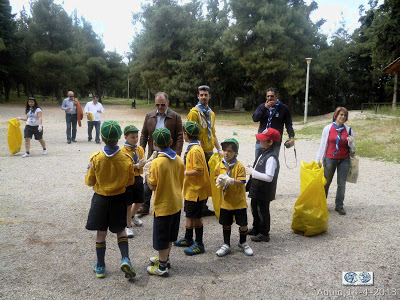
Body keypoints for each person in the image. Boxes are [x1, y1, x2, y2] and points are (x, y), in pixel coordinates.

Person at [85, 120, 136, 279]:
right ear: (120, 137)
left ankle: (100, 266)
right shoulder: (127, 158)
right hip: (118, 199)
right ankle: (125, 258)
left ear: (102, 138)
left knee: (101, 233)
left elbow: (89, 182)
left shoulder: (95, 158)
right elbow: (130, 181)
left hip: (101, 200)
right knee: (121, 229)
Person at [146, 128, 185, 277]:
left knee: (161, 236)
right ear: (171, 142)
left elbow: (153, 186)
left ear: (155, 144)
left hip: (163, 205)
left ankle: (162, 267)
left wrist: (147, 173)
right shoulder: (179, 159)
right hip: (176, 203)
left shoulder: (156, 163)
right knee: (170, 235)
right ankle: (165, 258)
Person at [138, 92, 183, 215]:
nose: (160, 107)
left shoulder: (175, 117)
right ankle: (145, 205)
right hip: (153, 152)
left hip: (168, 153)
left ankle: (169, 204)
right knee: (148, 179)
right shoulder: (149, 116)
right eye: (157, 105)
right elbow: (144, 134)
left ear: (168, 103)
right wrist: (141, 151)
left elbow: (180, 136)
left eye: (162, 104)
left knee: (168, 179)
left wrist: (177, 153)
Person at [174, 121, 211, 255]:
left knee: (196, 217)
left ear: (185, 134)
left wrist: (183, 172)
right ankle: (188, 238)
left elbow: (199, 170)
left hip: (196, 190)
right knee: (189, 214)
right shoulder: (193, 147)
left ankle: (199, 243)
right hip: (191, 189)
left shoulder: (195, 150)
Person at [187, 85, 222, 216]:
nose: (203, 97)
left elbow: (213, 133)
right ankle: (196, 207)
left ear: (209, 96)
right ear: (198, 96)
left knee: (209, 180)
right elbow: (190, 132)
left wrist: (219, 149)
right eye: (201, 95)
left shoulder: (211, 114)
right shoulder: (194, 113)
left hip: (209, 151)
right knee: (199, 179)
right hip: (198, 151)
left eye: (205, 95)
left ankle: (203, 206)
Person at [214, 138, 253, 257]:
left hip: (239, 202)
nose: (226, 153)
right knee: (226, 224)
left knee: (243, 224)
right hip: (226, 202)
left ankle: (243, 242)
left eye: (230, 151)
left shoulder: (239, 166)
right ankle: (226, 244)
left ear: (236, 153)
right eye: (225, 150)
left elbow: (242, 182)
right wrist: (219, 180)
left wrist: (230, 180)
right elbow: (216, 177)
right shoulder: (219, 165)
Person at [315, 107, 355, 215]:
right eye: (340, 114)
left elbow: (352, 147)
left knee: (341, 184)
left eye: (344, 115)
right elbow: (323, 145)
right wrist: (318, 159)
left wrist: (351, 142)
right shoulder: (327, 128)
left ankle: (339, 206)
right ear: (336, 115)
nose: (342, 117)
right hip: (330, 159)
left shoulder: (349, 130)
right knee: (326, 183)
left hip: (344, 160)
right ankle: (322, 204)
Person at [245, 128, 281, 243]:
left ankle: (264, 233)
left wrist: (253, 172)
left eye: (263, 140)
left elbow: (269, 177)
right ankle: (256, 228)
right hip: (257, 189)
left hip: (264, 191)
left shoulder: (271, 158)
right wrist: (253, 168)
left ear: (270, 142)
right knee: (254, 208)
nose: (260, 141)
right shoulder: (264, 152)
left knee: (263, 211)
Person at [252, 87, 295, 159]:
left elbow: (289, 125)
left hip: (275, 142)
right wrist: (265, 108)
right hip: (261, 141)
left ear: (276, 96)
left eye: (272, 96)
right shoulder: (262, 107)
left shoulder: (284, 108)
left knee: (272, 163)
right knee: (258, 163)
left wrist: (292, 138)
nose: (269, 98)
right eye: (268, 96)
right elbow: (255, 119)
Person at [120, 125, 147, 238]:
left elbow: (143, 161)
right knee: (128, 204)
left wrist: (147, 162)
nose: (135, 139)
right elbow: (123, 167)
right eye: (132, 137)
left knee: (140, 201)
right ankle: (128, 226)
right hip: (127, 180)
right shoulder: (122, 151)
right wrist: (137, 165)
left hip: (138, 178)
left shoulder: (139, 149)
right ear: (126, 137)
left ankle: (131, 216)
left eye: (137, 137)